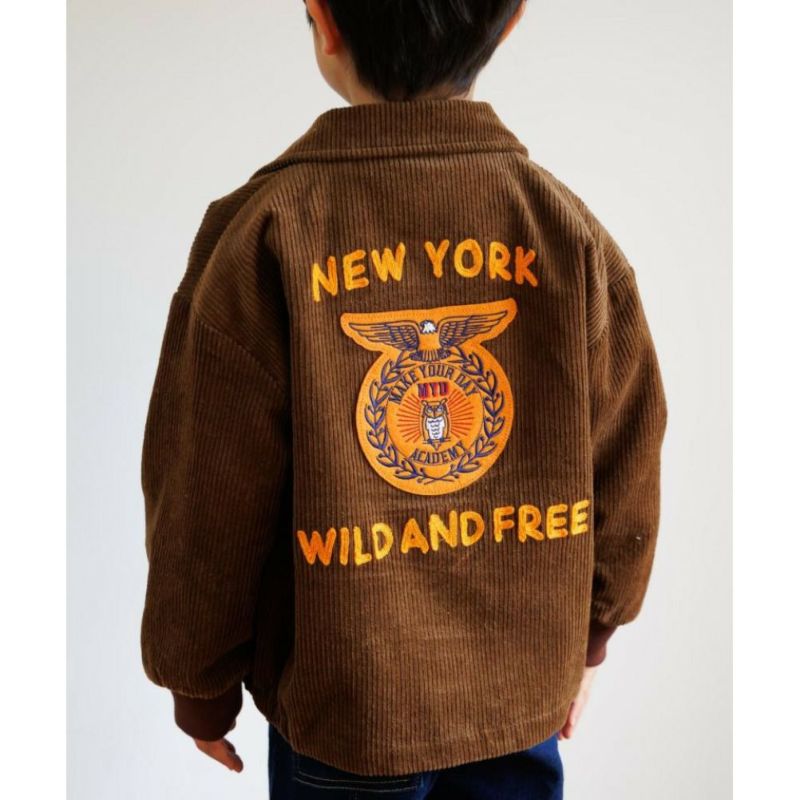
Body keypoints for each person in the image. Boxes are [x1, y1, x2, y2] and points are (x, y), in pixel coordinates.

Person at [139, 1, 668, 797]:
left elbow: (205, 496)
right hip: (521, 702)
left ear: (323, 20)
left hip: (347, 717)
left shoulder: (264, 232)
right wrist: (592, 633)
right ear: (512, 21)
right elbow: (628, 460)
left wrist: (199, 681)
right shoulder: (566, 233)